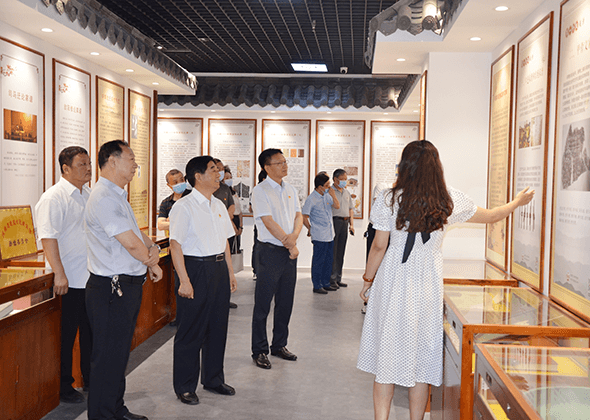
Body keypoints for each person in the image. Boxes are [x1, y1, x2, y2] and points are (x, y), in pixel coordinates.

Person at [357, 140, 534, 420]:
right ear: (436, 167)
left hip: (393, 282)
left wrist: (368, 280)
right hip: (426, 284)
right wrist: (517, 202)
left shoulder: (389, 199)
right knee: (421, 363)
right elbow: (491, 216)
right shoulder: (449, 199)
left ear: (405, 166)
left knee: (386, 359)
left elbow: (379, 246)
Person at [84, 140, 163, 420]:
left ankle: (115, 409)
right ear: (112, 161)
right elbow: (130, 244)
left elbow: (137, 234)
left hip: (123, 287)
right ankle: (102, 415)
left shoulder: (117, 195)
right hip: (110, 289)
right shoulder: (104, 198)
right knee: (107, 358)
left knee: (117, 356)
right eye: (131, 159)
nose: (135, 165)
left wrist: (152, 248)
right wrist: (152, 260)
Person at [169, 156, 238, 406]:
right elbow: (175, 245)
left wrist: (230, 272)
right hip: (195, 269)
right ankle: (185, 386)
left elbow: (225, 242)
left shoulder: (218, 204)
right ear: (198, 176)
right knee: (191, 330)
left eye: (218, 170)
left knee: (218, 327)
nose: (218, 173)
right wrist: (184, 280)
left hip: (218, 269)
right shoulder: (183, 207)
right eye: (213, 170)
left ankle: (213, 379)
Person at [35, 146, 93, 404]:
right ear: (65, 168)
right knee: (66, 337)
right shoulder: (53, 198)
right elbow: (48, 238)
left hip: (90, 278)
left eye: (89, 163)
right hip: (68, 281)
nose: (88, 169)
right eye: (82, 164)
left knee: (91, 333)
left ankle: (90, 379)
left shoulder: (88, 194)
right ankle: (64, 387)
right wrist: (59, 273)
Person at [250, 148, 302, 369]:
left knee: (285, 302)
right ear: (267, 167)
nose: (284, 165)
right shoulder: (260, 191)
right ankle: (259, 350)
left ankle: (279, 344)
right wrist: (290, 243)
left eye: (285, 162)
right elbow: (268, 221)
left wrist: (294, 238)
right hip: (269, 252)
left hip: (288, 252)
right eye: (279, 163)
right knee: (263, 304)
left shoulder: (290, 189)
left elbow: (298, 215)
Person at [302, 173, 340, 294]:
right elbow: (304, 216)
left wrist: (333, 195)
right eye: (327, 185)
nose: (329, 187)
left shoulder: (327, 196)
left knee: (328, 261)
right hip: (319, 235)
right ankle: (317, 285)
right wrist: (310, 228)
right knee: (319, 261)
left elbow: (337, 206)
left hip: (330, 234)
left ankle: (326, 283)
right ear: (320, 187)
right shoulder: (311, 199)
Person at [213, 158, 239, 309]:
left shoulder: (224, 188)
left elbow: (231, 205)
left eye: (221, 169)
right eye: (217, 169)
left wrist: (227, 216)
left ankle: (224, 298)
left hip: (224, 231)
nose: (220, 172)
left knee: (225, 263)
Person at [330, 169, 355, 289]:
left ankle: (338, 278)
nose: (344, 181)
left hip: (345, 223)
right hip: (335, 222)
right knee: (333, 252)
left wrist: (352, 225)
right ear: (335, 179)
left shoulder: (346, 192)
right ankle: (332, 279)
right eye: (342, 179)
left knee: (341, 251)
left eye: (346, 179)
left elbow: (351, 209)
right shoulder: (330, 192)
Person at [250, 170, 267, 280]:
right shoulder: (256, 191)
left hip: (269, 225)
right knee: (258, 247)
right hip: (260, 225)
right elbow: (250, 208)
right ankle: (256, 270)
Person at [224, 166, 243, 253]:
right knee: (229, 247)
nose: (229, 180)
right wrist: (233, 226)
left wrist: (240, 226)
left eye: (230, 177)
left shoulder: (234, 192)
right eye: (226, 178)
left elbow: (239, 210)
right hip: (229, 221)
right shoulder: (223, 194)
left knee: (236, 247)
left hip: (236, 220)